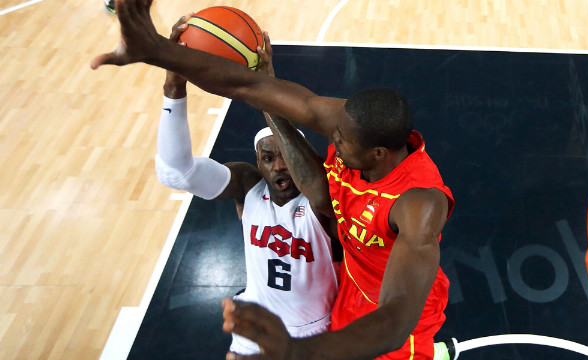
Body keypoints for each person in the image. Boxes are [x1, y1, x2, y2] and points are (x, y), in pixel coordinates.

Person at [91, 1, 455, 358]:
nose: (333, 141)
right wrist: (157, 52)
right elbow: (247, 87)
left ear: (379, 155)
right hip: (349, 289)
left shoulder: (418, 204)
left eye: (342, 142)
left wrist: (295, 352)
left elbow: (393, 323)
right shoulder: (353, 126)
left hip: (391, 321)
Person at [153, 15, 340, 356]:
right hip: (256, 319)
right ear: (257, 164)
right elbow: (174, 173)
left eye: (285, 154)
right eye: (268, 158)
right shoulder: (250, 188)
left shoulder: (325, 198)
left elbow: (319, 188)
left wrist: (266, 87)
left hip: (316, 329)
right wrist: (174, 86)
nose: (279, 165)